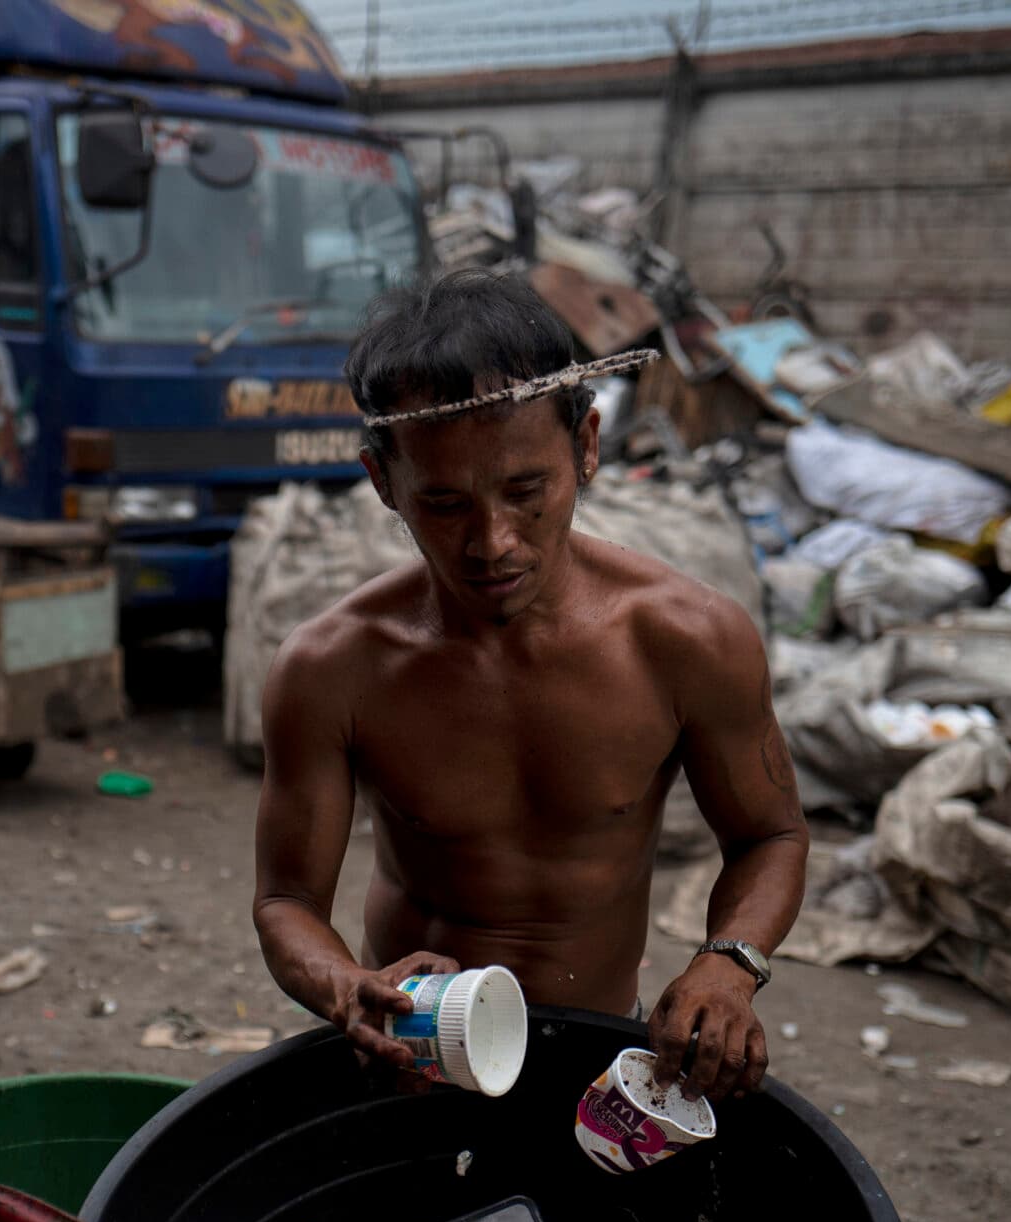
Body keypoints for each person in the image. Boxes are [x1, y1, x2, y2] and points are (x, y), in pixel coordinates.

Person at [252, 270, 808, 1099]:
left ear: (585, 446)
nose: (492, 543)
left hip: (600, 1053)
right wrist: (344, 987)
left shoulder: (688, 639)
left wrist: (729, 965)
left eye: (526, 490)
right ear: (383, 482)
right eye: (443, 503)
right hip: (412, 1060)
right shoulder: (333, 668)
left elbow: (772, 837)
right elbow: (287, 900)